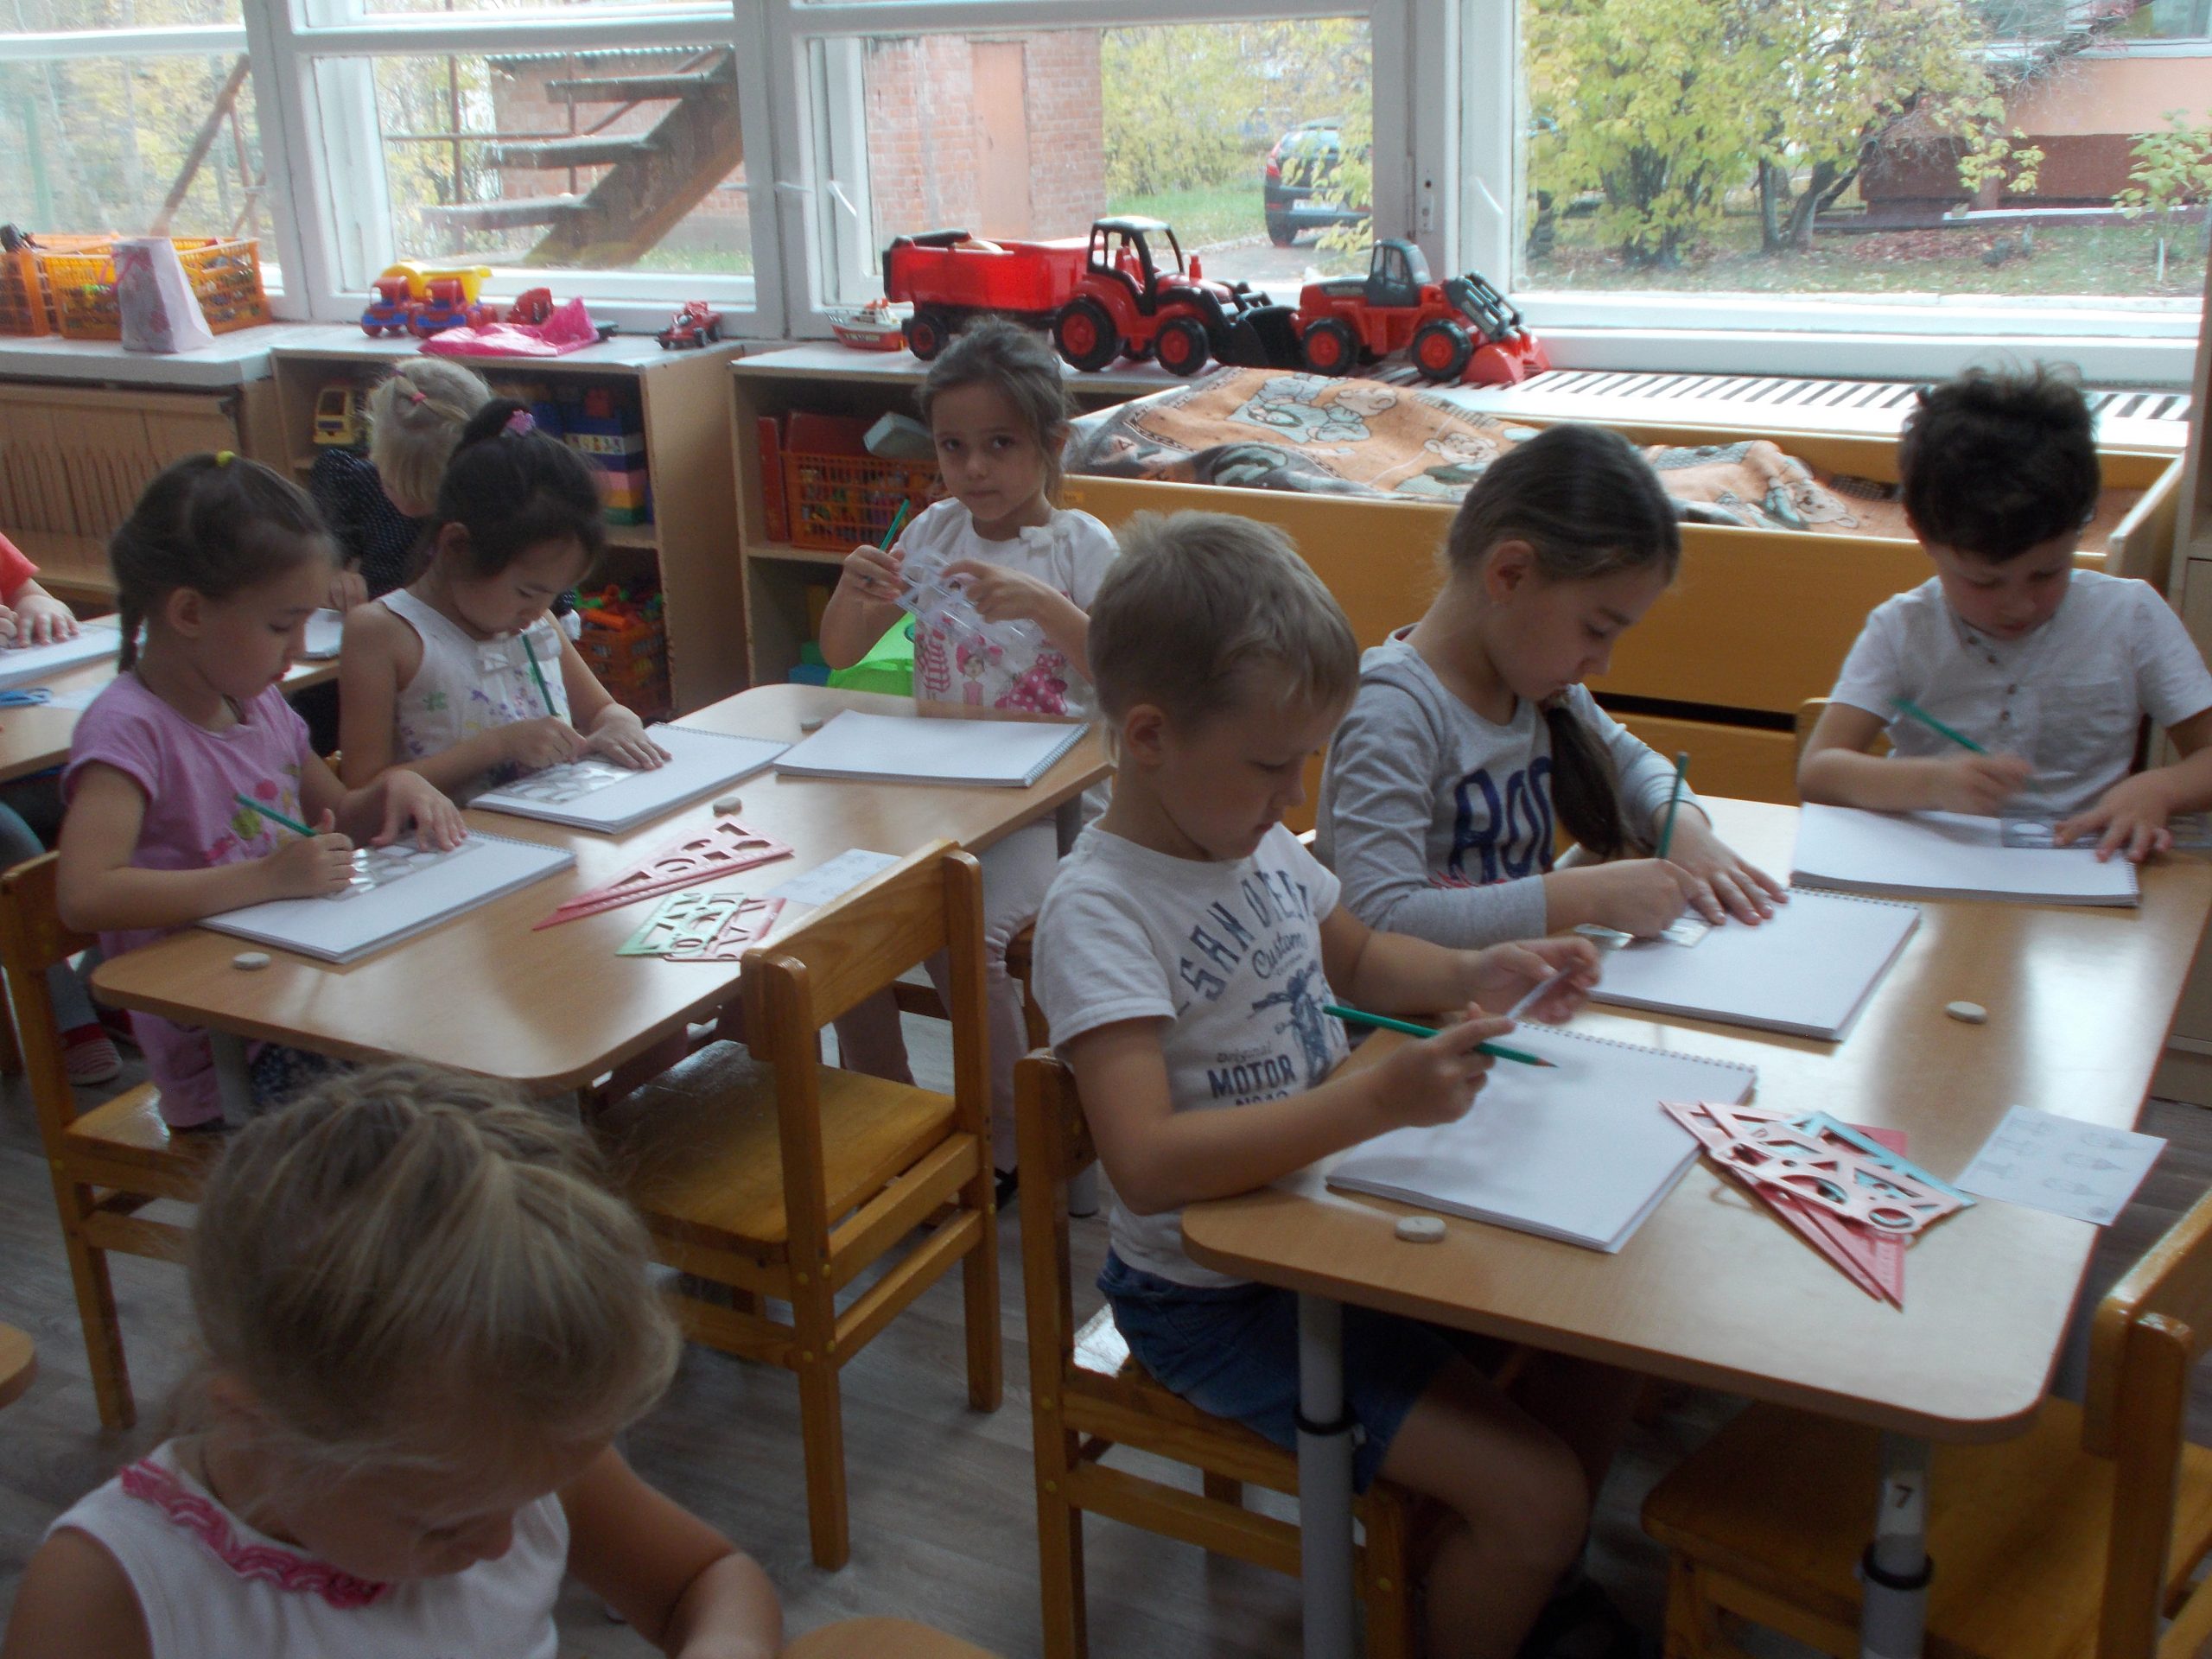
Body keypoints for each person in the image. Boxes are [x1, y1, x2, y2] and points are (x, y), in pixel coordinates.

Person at [1033, 512, 1642, 1659]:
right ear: (1150, 735)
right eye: (1273, 765)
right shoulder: (1101, 911)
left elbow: (1356, 957)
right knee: (1541, 1496)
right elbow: (1147, 1164)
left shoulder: (1249, 838)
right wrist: (1373, 1101)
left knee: (1600, 1343)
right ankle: (1513, 1557)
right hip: (1216, 1300)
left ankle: (1513, 1578)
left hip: (1325, 1227)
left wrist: (1479, 971)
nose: (1293, 794)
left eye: (1303, 761)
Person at [0, 1061, 783, 1659]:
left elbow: (705, 1581)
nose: (502, 1545)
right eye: (442, 1529)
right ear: (257, 1425)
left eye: (522, 1503)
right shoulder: (108, 1596)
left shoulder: (506, 1463)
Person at [55, 454, 464, 1129]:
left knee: (460, 1042)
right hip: (227, 1052)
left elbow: (342, 815)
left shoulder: (258, 704)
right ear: (189, 611)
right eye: (281, 626)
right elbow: (85, 894)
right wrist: (267, 878)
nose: (298, 647)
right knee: (425, 1111)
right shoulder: (129, 729)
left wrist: (398, 786)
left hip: (303, 995)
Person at [817, 318, 1118, 1191]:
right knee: (837, 911)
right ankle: (891, 1113)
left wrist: (1043, 604)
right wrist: (852, 588)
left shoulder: (1080, 546)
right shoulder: (933, 532)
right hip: (937, 787)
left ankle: (1008, 1136)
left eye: (1000, 444)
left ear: (1051, 446)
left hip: (1052, 804)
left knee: (968, 927)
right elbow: (841, 650)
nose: (974, 468)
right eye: (953, 447)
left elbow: (1130, 673)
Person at [1318, 423, 1786, 946]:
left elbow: (1636, 767)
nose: (1602, 663)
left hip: (1521, 983)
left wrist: (1684, 830)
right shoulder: (1394, 712)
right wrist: (1584, 895)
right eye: (1596, 630)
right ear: (1511, 574)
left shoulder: (1538, 690)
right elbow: (1379, 921)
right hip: (1423, 1001)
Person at [1800, 365, 2212, 861]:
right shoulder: (1903, 628)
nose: (2020, 606)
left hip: (2084, 867)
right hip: (1935, 870)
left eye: (2047, 573)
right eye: (1985, 582)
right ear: (1923, 536)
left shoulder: (2130, 616)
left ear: (2080, 530)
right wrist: (1932, 782)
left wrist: (2161, 789)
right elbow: (1818, 773)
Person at [337, 399, 667, 806]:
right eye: (527, 592)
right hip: (451, 840)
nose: (538, 611)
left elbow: (603, 710)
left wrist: (619, 724)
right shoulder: (383, 632)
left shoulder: (535, 621)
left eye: (552, 593)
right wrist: (497, 746)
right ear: (456, 545)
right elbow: (362, 793)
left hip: (550, 828)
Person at [0, 527, 119, 1081]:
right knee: (8, 842)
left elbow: (33, 594)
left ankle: (106, 979)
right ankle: (65, 1014)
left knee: (128, 793)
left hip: (26, 755)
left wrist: (40, 612)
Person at [308, 357, 493, 612]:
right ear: (374, 453)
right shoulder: (353, 481)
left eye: (430, 495)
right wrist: (334, 571)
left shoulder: (488, 509)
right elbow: (321, 549)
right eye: (394, 486)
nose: (408, 505)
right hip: (376, 620)